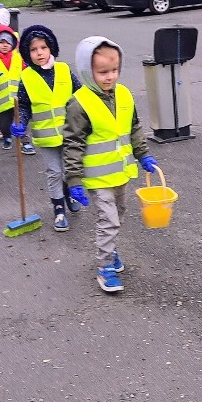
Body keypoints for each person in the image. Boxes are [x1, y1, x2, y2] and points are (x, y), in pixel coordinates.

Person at [63, 36, 158, 293]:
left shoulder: (124, 94)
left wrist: (143, 154)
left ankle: (111, 250)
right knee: (109, 221)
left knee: (119, 216)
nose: (109, 77)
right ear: (87, 70)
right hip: (96, 179)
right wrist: (73, 180)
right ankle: (104, 266)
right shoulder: (79, 103)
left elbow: (134, 127)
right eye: (102, 72)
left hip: (120, 174)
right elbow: (72, 143)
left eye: (114, 70)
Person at [10, 25, 84, 231]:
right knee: (54, 172)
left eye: (43, 47)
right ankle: (59, 210)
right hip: (47, 137)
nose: (39, 52)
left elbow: (80, 95)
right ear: (27, 53)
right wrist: (20, 123)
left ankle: (69, 195)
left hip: (70, 134)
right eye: (33, 50)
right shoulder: (26, 78)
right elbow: (23, 105)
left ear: (51, 48)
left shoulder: (64, 70)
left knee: (70, 170)